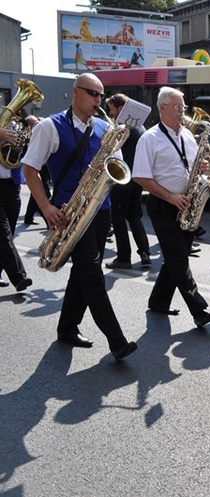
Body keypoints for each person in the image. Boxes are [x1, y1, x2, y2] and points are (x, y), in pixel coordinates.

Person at [21, 73, 137, 361]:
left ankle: (67, 327)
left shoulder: (105, 127)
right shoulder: (50, 126)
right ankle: (117, 340)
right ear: (75, 92)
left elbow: (117, 165)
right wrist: (46, 207)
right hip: (70, 213)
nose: (99, 100)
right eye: (92, 93)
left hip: (101, 209)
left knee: (83, 272)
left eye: (101, 95)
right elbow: (30, 169)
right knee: (92, 273)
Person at [132, 86, 210, 328]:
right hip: (163, 205)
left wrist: (200, 167)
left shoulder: (187, 136)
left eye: (183, 107)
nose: (183, 111)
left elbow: (190, 166)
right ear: (163, 108)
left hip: (187, 202)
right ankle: (198, 309)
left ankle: (158, 301)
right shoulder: (149, 138)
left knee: (173, 258)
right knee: (179, 258)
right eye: (178, 107)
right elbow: (140, 176)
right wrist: (170, 197)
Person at [104, 93, 151, 270]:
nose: (111, 113)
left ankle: (123, 257)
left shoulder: (122, 129)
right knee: (133, 214)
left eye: (112, 109)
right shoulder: (141, 128)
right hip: (137, 178)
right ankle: (145, 253)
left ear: (121, 108)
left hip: (123, 179)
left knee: (117, 217)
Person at [0, 126, 32, 293]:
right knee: (4, 236)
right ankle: (19, 277)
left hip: (12, 186)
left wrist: (22, 140)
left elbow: (23, 152)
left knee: (8, 235)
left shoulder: (10, 124)